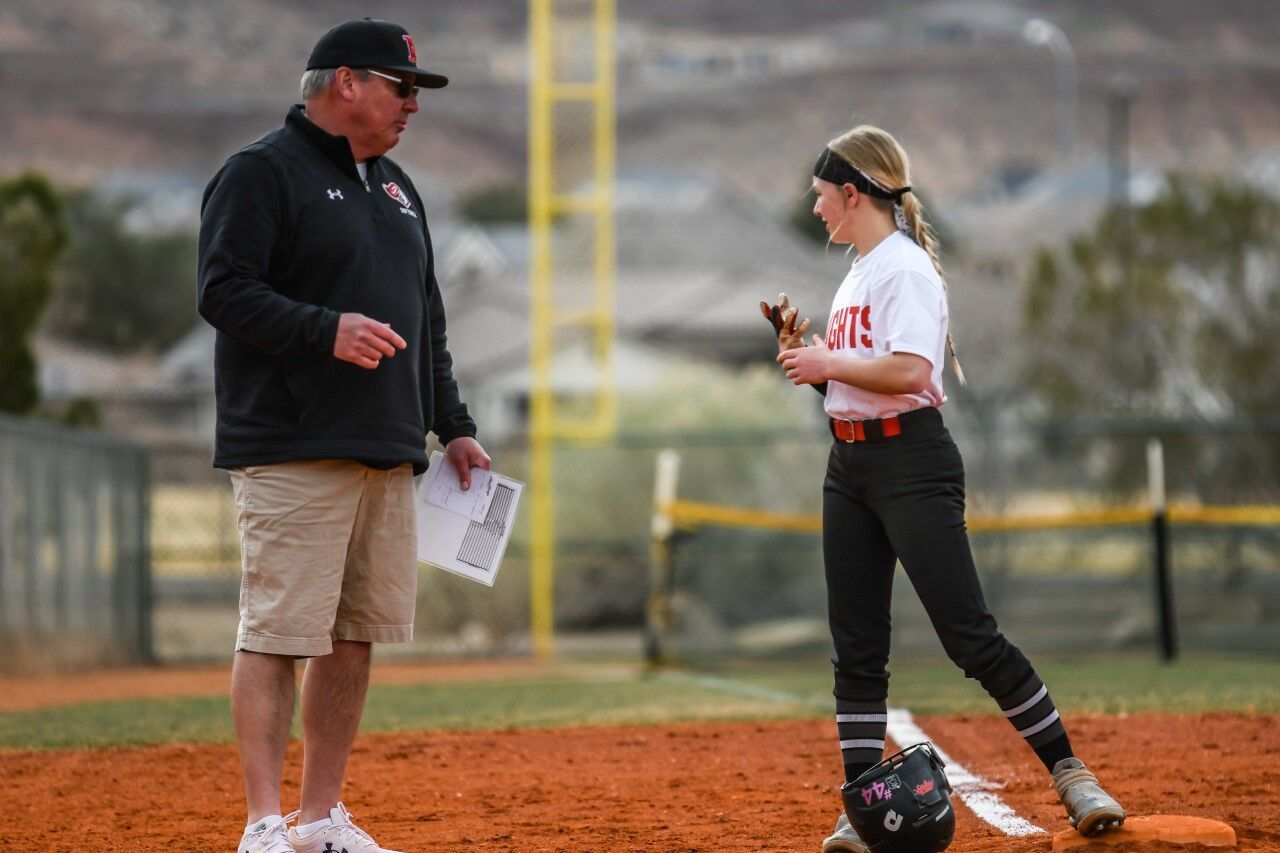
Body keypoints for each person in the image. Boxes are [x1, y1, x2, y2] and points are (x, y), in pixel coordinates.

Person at [766, 125, 1126, 852]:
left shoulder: (904, 269)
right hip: (852, 466)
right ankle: (863, 810)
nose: (814, 211)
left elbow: (908, 372)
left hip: (911, 464)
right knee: (857, 647)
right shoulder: (860, 270)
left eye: (820, 197)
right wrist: (806, 355)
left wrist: (827, 359)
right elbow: (859, 373)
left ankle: (1072, 773)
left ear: (852, 193)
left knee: (970, 636)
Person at [197, 17, 489, 853]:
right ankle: (261, 825)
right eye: (402, 87)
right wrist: (323, 329)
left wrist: (455, 427)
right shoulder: (261, 173)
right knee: (278, 631)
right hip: (292, 443)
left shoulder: (397, 188)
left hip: (386, 448)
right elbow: (222, 291)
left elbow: (424, 320)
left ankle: (321, 820)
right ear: (345, 83)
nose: (412, 105)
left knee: (354, 636)